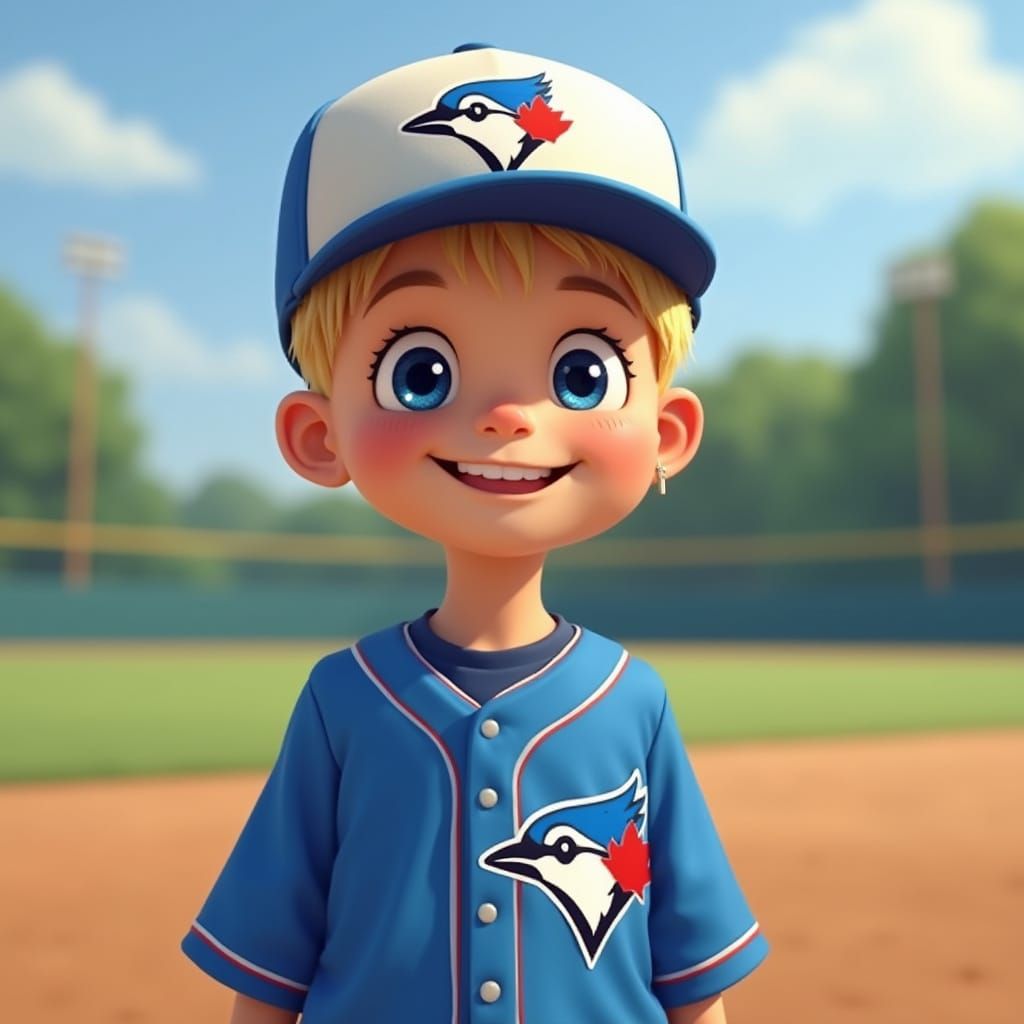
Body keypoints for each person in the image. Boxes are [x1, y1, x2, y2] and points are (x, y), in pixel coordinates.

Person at [182, 43, 768, 1024]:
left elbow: (689, 974)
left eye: (582, 372)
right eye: (421, 370)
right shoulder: (343, 701)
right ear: (316, 433)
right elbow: (269, 975)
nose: (504, 416)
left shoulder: (635, 703)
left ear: (667, 430)